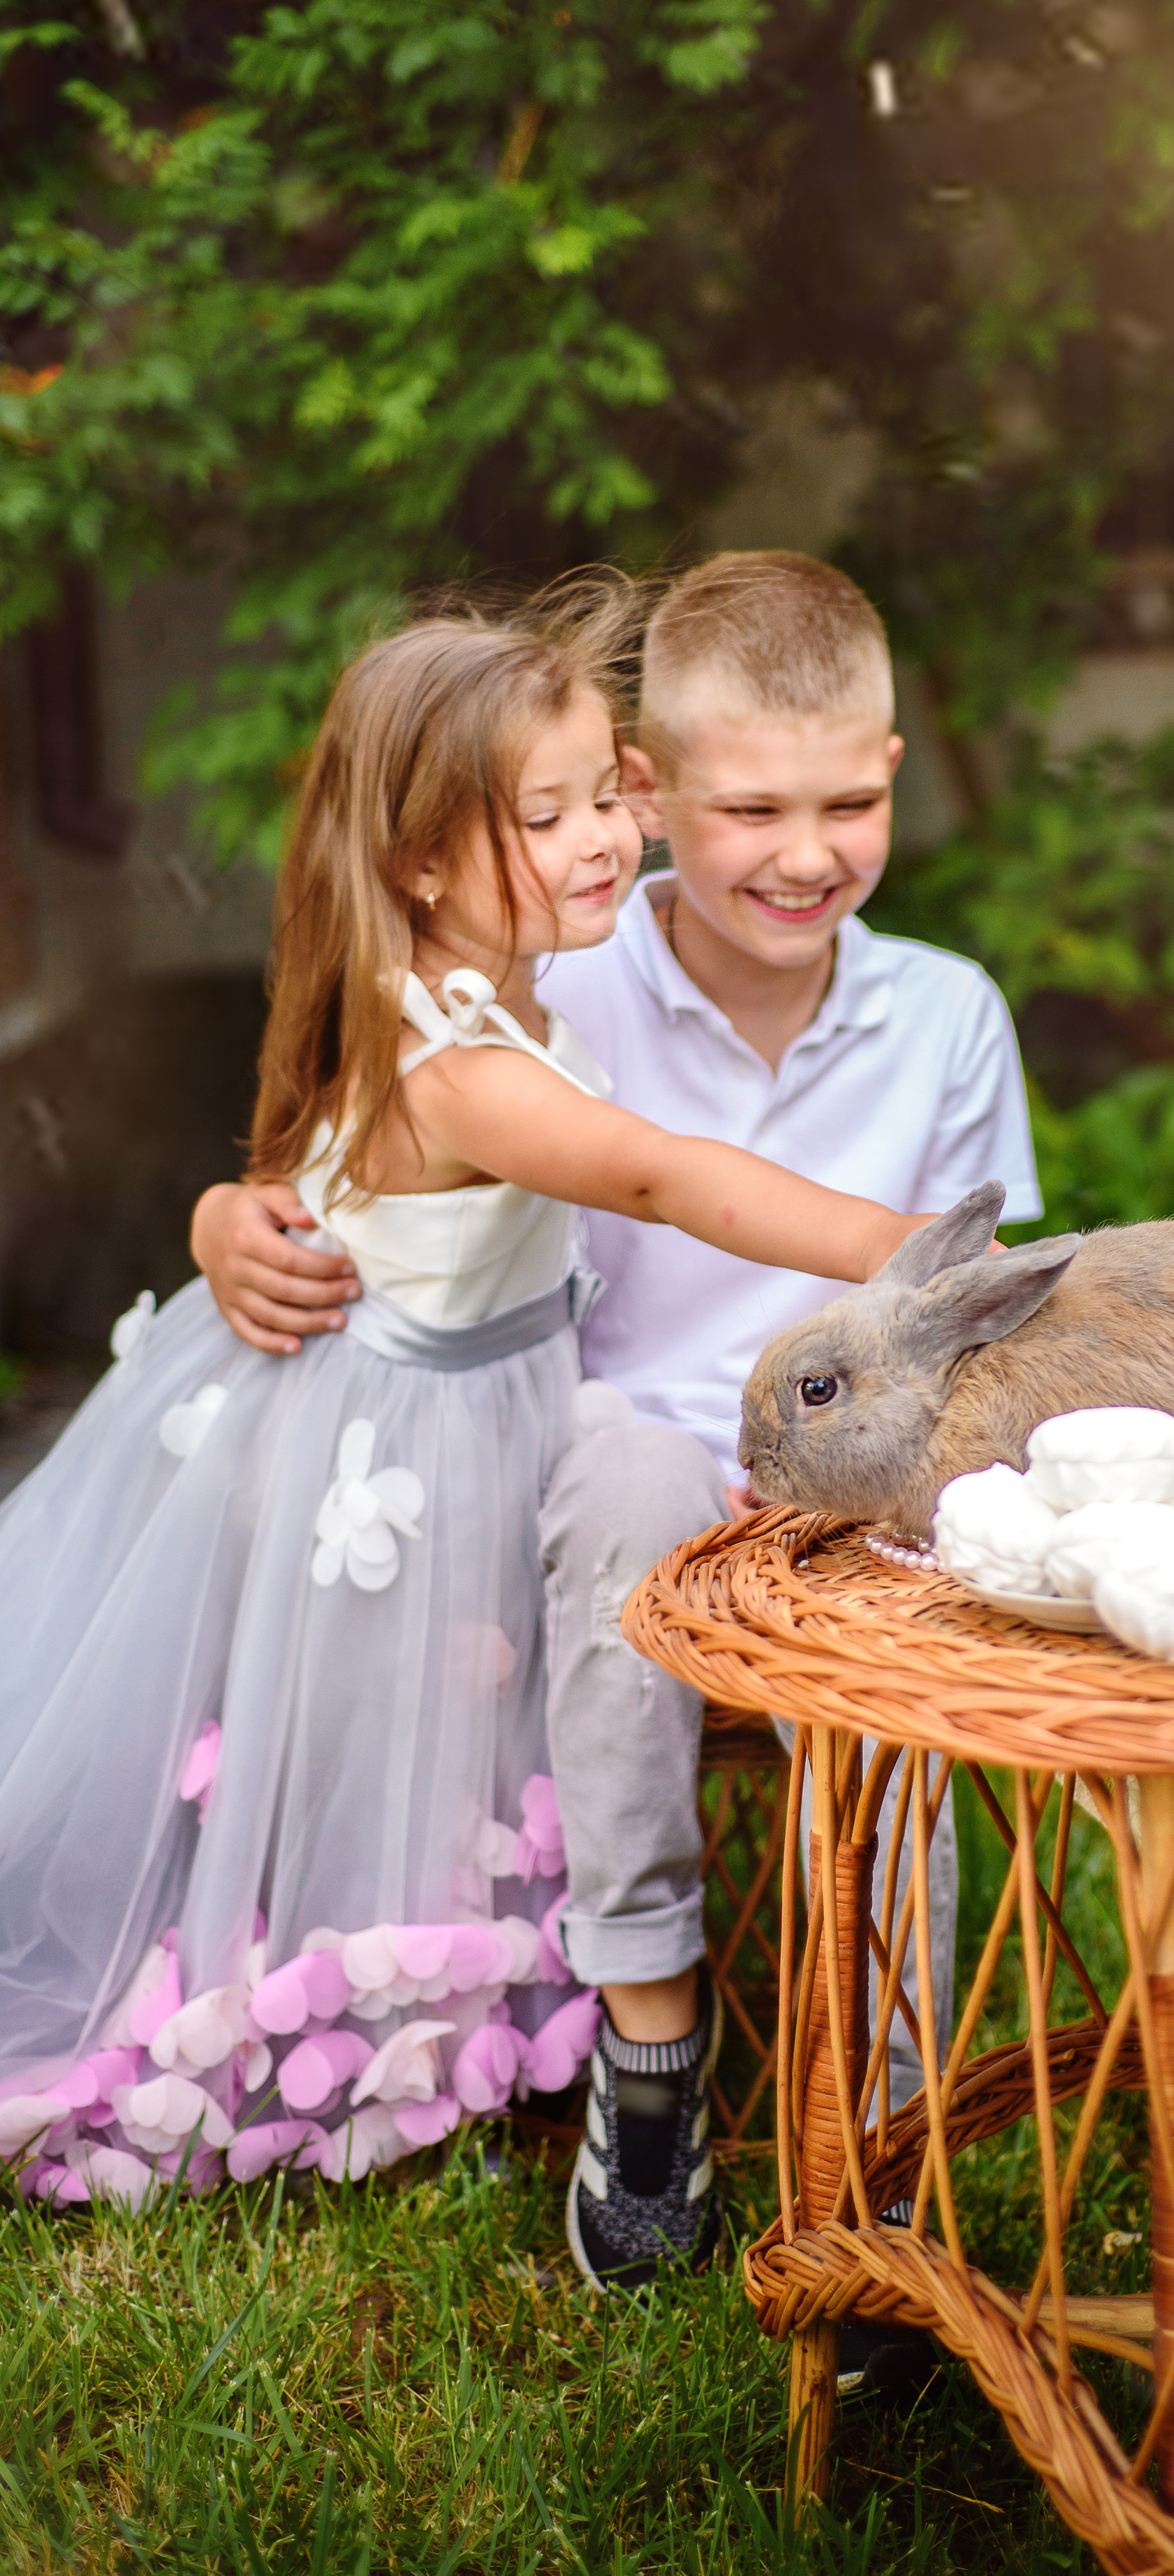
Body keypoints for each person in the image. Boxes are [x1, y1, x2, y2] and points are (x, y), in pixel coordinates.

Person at [0, 578, 938, 2246]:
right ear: (427, 859)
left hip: (478, 1406)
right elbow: (662, 1174)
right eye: (548, 817)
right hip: (383, 1447)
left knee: (456, 1743)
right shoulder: (464, 1051)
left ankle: (514, 2022)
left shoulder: (471, 978)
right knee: (370, 1765)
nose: (600, 842)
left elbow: (306, 1159)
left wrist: (625, 789)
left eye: (608, 798)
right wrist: (906, 1255)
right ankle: (357, 2028)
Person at [192, 553, 1042, 2304]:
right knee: (629, 1473)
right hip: (618, 1447)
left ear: (893, 767)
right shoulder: (547, 981)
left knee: (906, 1585)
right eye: (748, 808)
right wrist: (227, 1215)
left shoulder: (944, 1013)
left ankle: (879, 2115)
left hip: (867, 1466)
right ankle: (651, 2043)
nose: (803, 853)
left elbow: (974, 1310)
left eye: (845, 802)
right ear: (650, 796)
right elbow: (359, 1155)